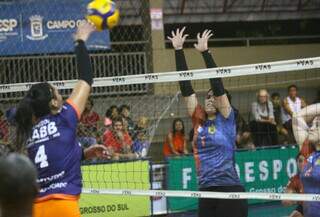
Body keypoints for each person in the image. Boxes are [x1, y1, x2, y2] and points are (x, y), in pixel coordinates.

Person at [14, 22, 110, 217]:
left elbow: (52, 155)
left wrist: (83, 154)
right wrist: (80, 42)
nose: (62, 95)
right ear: (54, 104)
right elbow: (86, 79)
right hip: (63, 206)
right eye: (58, 93)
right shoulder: (65, 116)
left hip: (34, 209)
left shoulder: (27, 131)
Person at [168, 28, 247, 217]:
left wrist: (205, 53)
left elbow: (218, 86)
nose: (210, 99)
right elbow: (186, 87)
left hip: (230, 189)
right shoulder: (198, 120)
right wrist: (178, 51)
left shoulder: (227, 119)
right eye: (208, 96)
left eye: (215, 97)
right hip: (206, 189)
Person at [292, 103, 320, 217]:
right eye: (312, 124)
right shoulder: (308, 152)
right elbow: (297, 116)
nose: (311, 128)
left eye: (317, 125)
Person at [282, 153, 305, 217]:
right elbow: (285, 201)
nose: (302, 163)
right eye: (300, 161)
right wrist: (295, 200)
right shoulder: (295, 179)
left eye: (305, 160)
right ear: (297, 163)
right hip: (304, 207)